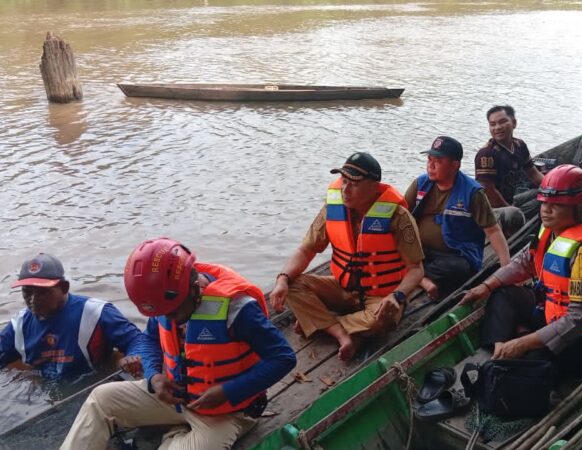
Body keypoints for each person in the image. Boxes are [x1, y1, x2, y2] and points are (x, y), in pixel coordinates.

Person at [61, 238, 296, 450]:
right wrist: (154, 377)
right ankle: (174, 433)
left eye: (173, 312)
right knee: (101, 399)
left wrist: (227, 392)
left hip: (229, 412)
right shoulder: (164, 301)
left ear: (193, 289)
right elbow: (149, 339)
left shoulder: (237, 309)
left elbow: (283, 358)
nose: (168, 318)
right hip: (176, 398)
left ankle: (172, 438)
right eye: (161, 313)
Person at [461, 164, 582, 377]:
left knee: (531, 364)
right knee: (502, 293)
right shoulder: (550, 228)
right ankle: (500, 347)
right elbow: (524, 262)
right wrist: (486, 285)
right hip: (552, 311)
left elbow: (578, 320)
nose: (546, 210)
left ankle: (518, 347)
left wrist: (524, 343)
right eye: (544, 203)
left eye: (556, 205)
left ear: (578, 206)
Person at [270, 152, 424, 360]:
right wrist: (282, 279)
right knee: (293, 283)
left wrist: (397, 296)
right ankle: (340, 332)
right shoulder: (333, 209)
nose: (345, 189)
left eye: (354, 183)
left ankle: (320, 323)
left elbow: (416, 270)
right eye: (344, 181)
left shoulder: (398, 216)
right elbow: (306, 250)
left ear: (373, 186)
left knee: (380, 320)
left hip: (381, 296)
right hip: (342, 288)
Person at [0, 253, 148, 381]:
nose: (33, 300)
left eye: (42, 293)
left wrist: (133, 356)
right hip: (45, 391)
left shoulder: (96, 313)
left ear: (64, 288)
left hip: (92, 384)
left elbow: (138, 340)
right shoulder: (18, 325)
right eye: (27, 292)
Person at [405, 136, 511, 299]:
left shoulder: (472, 192)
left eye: (438, 161)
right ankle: (422, 279)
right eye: (429, 159)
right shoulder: (420, 184)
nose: (430, 165)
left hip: (454, 256)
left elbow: (493, 231)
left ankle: (416, 274)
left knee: (459, 269)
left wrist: (506, 268)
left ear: (455, 165)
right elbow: (400, 215)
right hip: (421, 252)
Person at [474, 105, 544, 237]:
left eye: (502, 122)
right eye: (492, 124)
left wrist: (552, 189)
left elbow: (533, 173)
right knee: (514, 214)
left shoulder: (519, 145)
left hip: (510, 200)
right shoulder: (487, 154)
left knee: (544, 194)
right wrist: (511, 210)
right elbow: (487, 192)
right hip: (491, 209)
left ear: (514, 123)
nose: (497, 127)